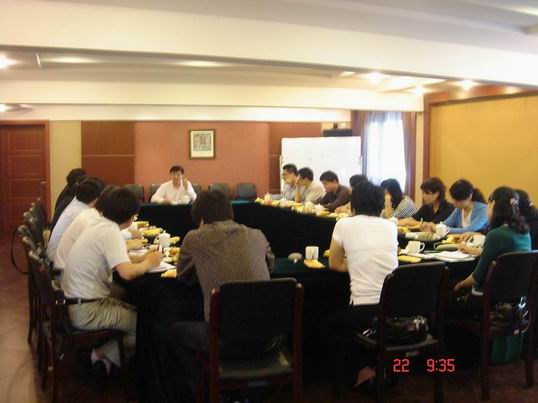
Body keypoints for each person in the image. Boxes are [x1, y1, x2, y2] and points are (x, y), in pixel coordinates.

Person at [168, 190, 274, 394]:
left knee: (175, 332)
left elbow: (183, 275)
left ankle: (204, 390)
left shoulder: (194, 237)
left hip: (225, 339)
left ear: (200, 218)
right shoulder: (257, 234)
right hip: (270, 336)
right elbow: (270, 265)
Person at [61, 188, 163, 386]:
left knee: (137, 311)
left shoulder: (100, 224)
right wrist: (148, 263)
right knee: (145, 328)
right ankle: (98, 355)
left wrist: (142, 258)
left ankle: (106, 360)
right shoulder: (110, 232)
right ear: (130, 217)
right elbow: (126, 273)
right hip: (86, 310)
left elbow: (117, 260)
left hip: (76, 302)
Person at [325, 181, 398, 387]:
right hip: (394, 308)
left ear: (354, 202)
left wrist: (357, 263)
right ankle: (383, 368)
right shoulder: (391, 226)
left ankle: (362, 370)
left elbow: (334, 263)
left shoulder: (344, 224)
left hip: (364, 310)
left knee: (328, 326)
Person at [452, 187, 531, 313]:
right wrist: (474, 251)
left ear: (493, 204)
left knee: (446, 296)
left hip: (487, 302)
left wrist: (460, 284)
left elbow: (476, 277)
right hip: (517, 303)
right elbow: (502, 256)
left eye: (488, 205)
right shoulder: (525, 233)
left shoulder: (495, 235)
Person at [53, 186, 142, 271]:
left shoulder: (93, 215)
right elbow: (125, 271)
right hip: (64, 271)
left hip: (70, 269)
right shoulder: (94, 221)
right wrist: (145, 260)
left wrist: (141, 257)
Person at [47, 177, 104, 262]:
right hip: (58, 260)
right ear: (96, 199)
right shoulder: (82, 213)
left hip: (58, 255)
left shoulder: (77, 205)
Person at [422, 179, 488, 235]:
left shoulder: (483, 209)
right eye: (453, 198)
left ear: (469, 197)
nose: (454, 202)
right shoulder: (459, 209)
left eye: (458, 200)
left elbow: (470, 230)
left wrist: (441, 229)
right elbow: (446, 224)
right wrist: (432, 226)